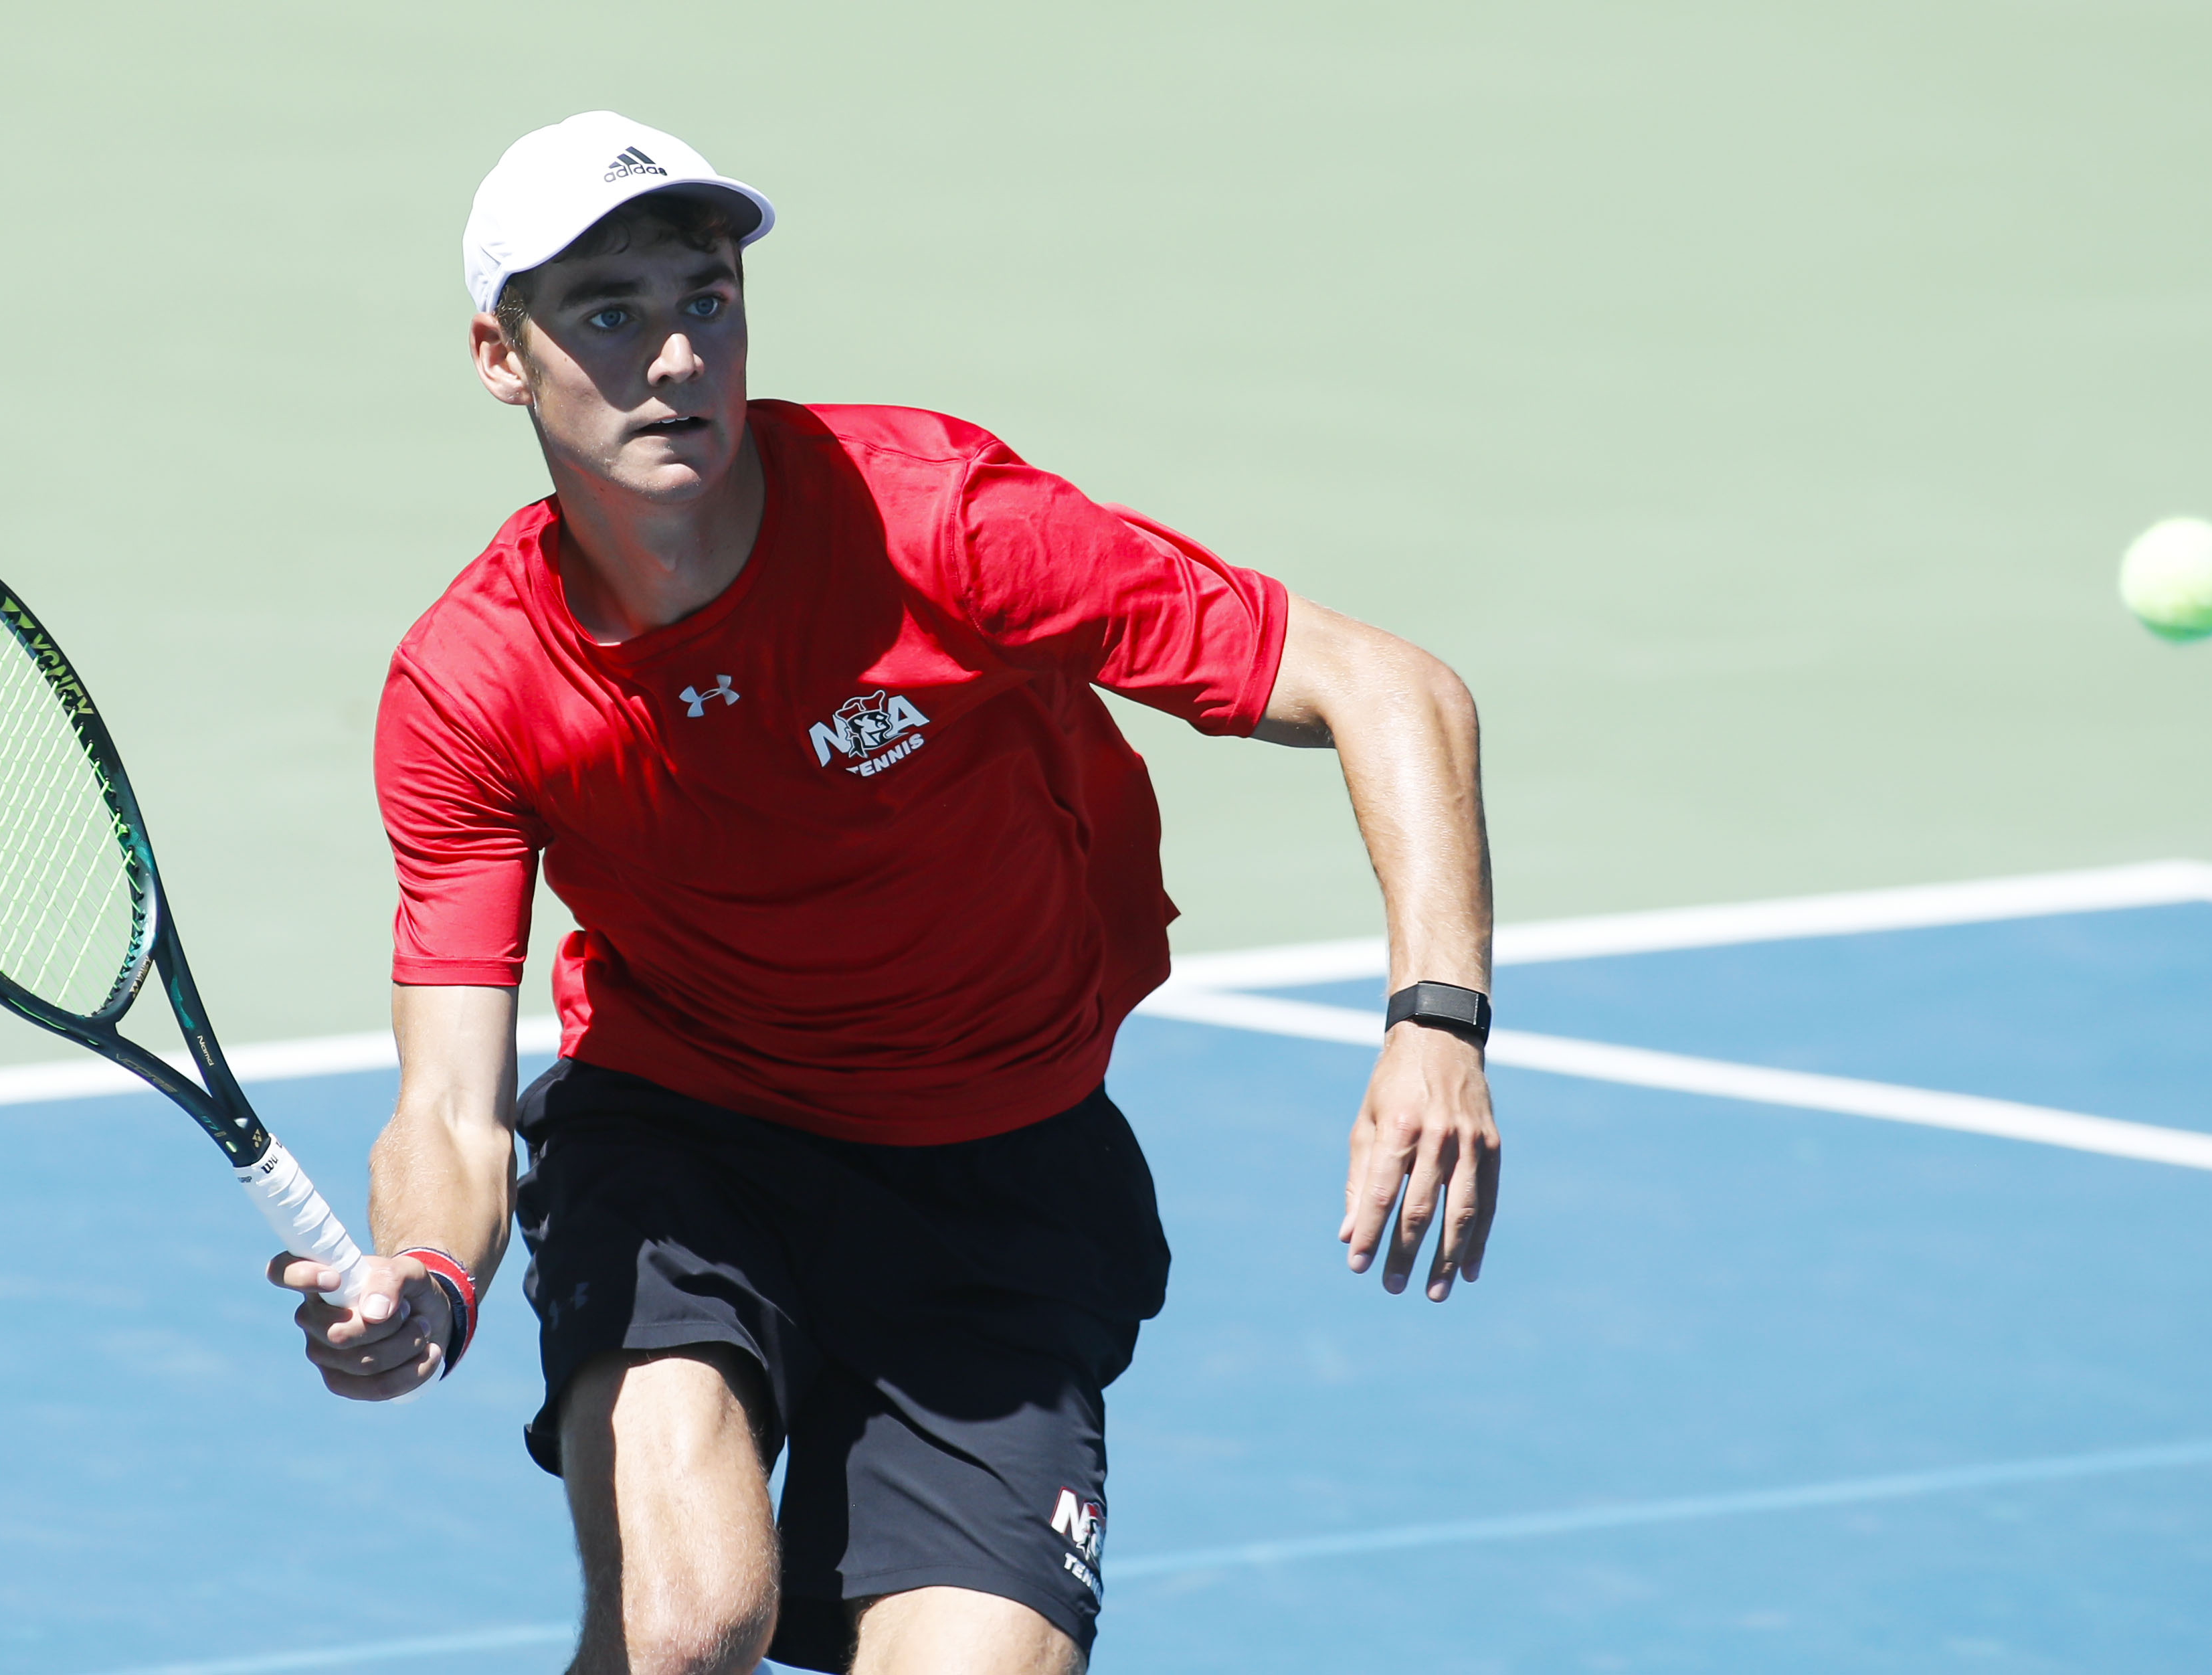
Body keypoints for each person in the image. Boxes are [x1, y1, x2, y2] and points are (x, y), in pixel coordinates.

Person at [268, 112, 1499, 1675]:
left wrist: (1436, 1024)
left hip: (999, 1167)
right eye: (608, 312)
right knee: (687, 1622)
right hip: (687, 1146)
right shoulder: (474, 683)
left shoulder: (944, 522)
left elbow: (1388, 685)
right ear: (500, 361)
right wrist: (431, 1284)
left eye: (704, 299)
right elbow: (451, 1106)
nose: (671, 358)